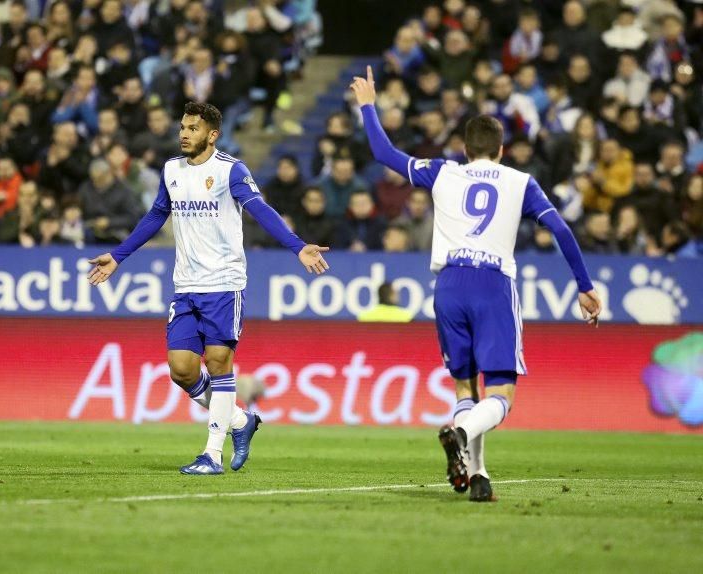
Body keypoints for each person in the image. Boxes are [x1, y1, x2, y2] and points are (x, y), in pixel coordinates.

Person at [351, 67, 601, 502]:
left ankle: (479, 475)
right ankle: (460, 433)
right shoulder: (521, 182)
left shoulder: (443, 172)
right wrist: (584, 285)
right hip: (492, 284)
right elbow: (560, 230)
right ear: (502, 150)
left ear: (465, 150)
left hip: (448, 285)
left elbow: (383, 152)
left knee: (466, 387)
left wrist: (369, 106)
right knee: (501, 394)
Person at [87, 102, 329, 475]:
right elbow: (156, 216)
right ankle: (239, 421)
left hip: (224, 283)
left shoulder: (231, 171)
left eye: (193, 128)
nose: (184, 133)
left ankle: (211, 454)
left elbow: (259, 209)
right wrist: (119, 256)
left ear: (212, 135)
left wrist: (298, 246)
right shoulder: (171, 170)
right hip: (186, 285)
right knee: (181, 369)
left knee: (218, 364)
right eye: (183, 127)